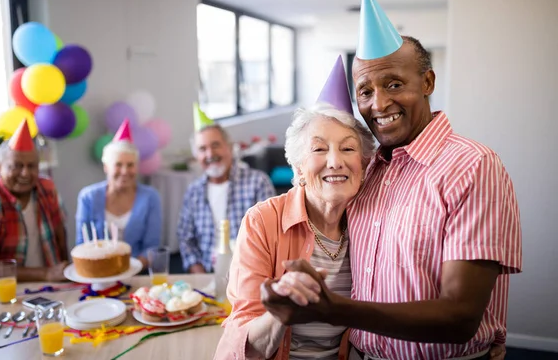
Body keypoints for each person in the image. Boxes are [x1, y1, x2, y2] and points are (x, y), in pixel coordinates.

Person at [260, 0, 520, 360]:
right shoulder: (371, 169)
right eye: (364, 91)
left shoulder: (472, 166)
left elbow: (460, 317)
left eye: (394, 84)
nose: (379, 103)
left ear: (428, 83)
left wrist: (331, 308)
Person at [214, 57, 376, 360]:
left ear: (364, 166)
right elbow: (243, 342)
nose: (335, 161)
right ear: (299, 169)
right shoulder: (262, 221)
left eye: (348, 148)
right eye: (319, 149)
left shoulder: (374, 223)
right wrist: (281, 310)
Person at [0, 120, 69, 283]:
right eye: (16, 166)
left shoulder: (47, 188)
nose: (25, 173)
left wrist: (66, 271)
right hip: (8, 292)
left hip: (53, 286)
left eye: (32, 166)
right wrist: (45, 273)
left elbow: (60, 235)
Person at [177, 104, 276, 273]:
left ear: (229, 148)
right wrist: (200, 275)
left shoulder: (258, 182)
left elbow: (271, 235)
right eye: (202, 149)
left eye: (215, 145)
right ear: (196, 156)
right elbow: (186, 240)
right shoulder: (194, 191)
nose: (210, 154)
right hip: (207, 275)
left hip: (250, 273)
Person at [76, 119, 162, 268]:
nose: (124, 171)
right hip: (97, 272)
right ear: (106, 167)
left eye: (130, 165)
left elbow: (151, 247)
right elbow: (82, 245)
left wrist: (128, 267)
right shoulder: (88, 197)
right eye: (118, 164)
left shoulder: (151, 197)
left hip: (136, 272)